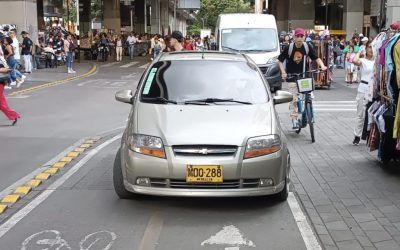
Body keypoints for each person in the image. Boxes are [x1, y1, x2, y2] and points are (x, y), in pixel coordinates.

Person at [278, 28, 327, 129]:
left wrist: (322, 66)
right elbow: (279, 61)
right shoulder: (289, 48)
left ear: (304, 37)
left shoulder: (307, 46)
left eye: (302, 36)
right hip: (292, 77)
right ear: (294, 37)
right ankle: (294, 119)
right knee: (293, 100)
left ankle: (308, 114)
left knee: (309, 96)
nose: (300, 38)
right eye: (298, 36)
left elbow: (316, 58)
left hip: (304, 76)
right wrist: (283, 72)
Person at [351, 42, 374, 145]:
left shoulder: (377, 61)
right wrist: (359, 52)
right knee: (360, 114)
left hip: (374, 89)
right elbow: (354, 61)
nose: (371, 49)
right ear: (366, 49)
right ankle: (357, 135)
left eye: (373, 47)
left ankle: (370, 135)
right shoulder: (364, 61)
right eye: (369, 47)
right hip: (363, 88)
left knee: (372, 114)